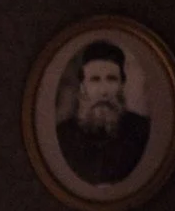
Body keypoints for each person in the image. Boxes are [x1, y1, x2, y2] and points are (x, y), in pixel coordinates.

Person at [56, 39, 150, 186]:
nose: (103, 91)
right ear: (82, 87)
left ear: (121, 85)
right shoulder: (62, 136)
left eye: (111, 79)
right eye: (95, 80)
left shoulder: (143, 131)